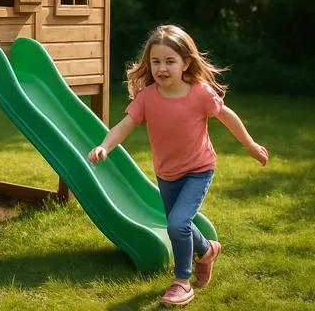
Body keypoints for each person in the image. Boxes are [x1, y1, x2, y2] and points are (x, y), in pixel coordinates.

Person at [88, 24, 268, 306]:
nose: (162, 68)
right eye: (156, 61)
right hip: (167, 173)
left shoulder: (200, 93)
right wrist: (104, 145)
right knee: (178, 224)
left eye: (169, 61)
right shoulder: (147, 98)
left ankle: (182, 282)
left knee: (177, 223)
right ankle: (206, 251)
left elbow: (227, 116)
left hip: (198, 169)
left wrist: (250, 145)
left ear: (185, 63)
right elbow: (125, 126)